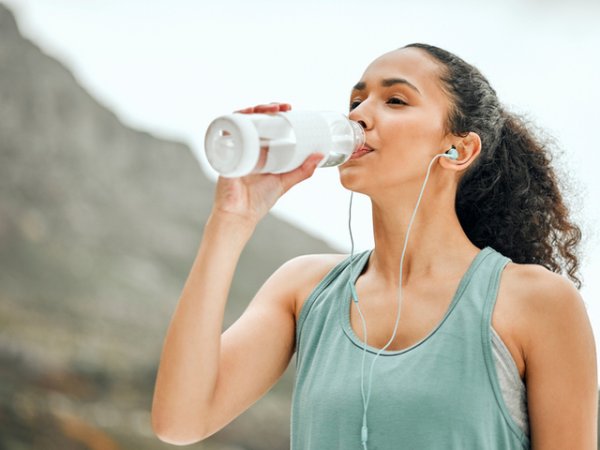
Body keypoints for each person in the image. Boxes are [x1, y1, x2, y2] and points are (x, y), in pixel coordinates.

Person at [151, 43, 598, 449]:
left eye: (395, 100)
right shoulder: (304, 290)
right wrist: (232, 220)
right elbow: (180, 421)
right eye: (355, 101)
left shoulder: (536, 302)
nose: (359, 115)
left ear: (458, 150)